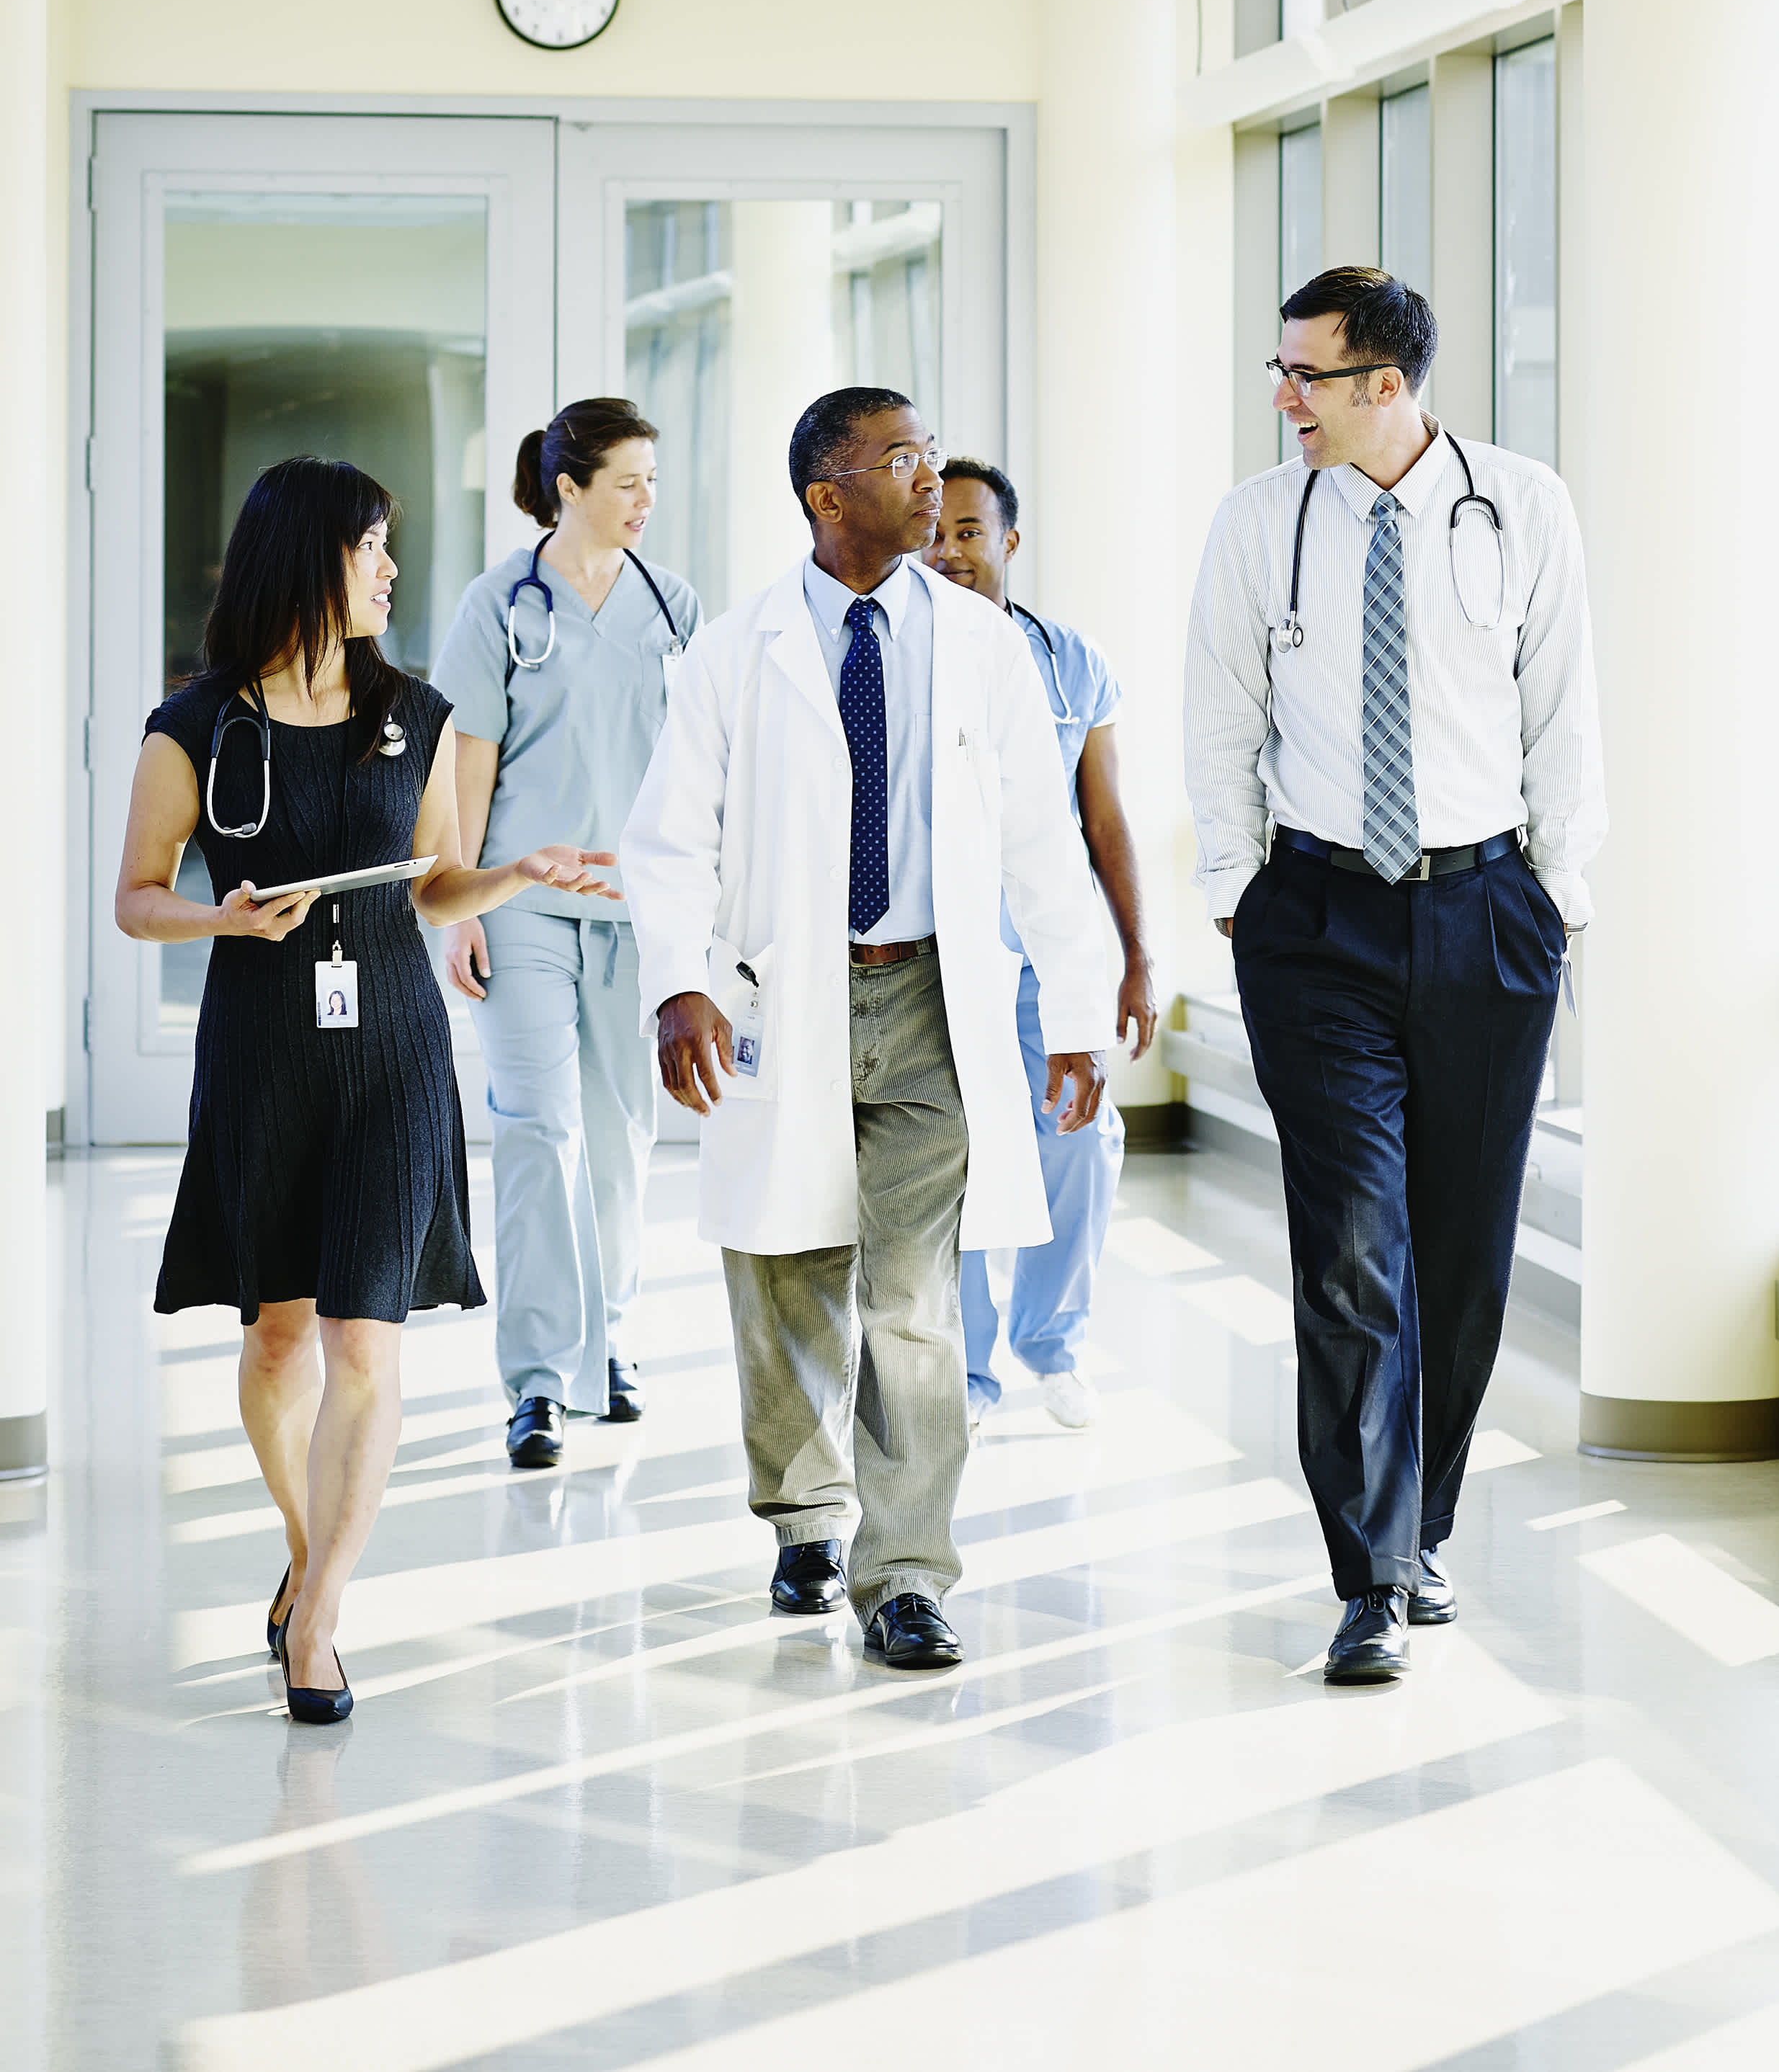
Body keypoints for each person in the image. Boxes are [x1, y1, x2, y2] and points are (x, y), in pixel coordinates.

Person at [621, 385, 1120, 1670]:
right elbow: (671, 837)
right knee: (784, 1271)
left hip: (930, 993)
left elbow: (1039, 842)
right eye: (901, 460)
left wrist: (1076, 1009)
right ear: (825, 495)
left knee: (914, 1298)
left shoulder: (981, 645)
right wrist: (680, 982)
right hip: (780, 991)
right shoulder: (733, 651)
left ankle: (904, 1573)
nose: (930, 481)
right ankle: (804, 1512)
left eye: (931, 455)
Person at [115, 455, 617, 1725]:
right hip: (262, 1050)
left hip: (392, 1047)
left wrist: (517, 875)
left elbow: (434, 883)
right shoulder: (196, 727)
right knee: (279, 1335)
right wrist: (216, 920)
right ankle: (304, 1547)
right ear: (308, 559)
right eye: (373, 547)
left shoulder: (419, 710)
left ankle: (322, 1616)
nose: (394, 570)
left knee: (362, 1340)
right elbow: (134, 898)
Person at [1184, 265, 1602, 1688]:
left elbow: (1565, 716)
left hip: (1484, 905)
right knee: (1350, 1242)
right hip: (1315, 918)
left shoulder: (1520, 508)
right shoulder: (1259, 521)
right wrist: (1239, 889)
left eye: (1307, 374)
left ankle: (1423, 1525)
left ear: (1386, 385)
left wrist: (1557, 898)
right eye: (1278, 371)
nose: (1282, 397)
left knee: (1461, 1246)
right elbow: (1216, 713)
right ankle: (1364, 1578)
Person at [429, 398, 697, 1471]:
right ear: (570, 487)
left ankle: (613, 1341)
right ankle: (538, 1380)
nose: (645, 501)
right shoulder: (499, 605)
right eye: (627, 482)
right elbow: (467, 769)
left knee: (622, 1141)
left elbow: (691, 773)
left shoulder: (673, 606)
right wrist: (460, 905)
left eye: (653, 482)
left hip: (638, 914)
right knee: (541, 1131)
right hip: (524, 909)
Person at [925, 457, 1158, 1427]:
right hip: (938, 950)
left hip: (1047, 950)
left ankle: (1051, 1341)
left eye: (970, 533)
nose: (949, 552)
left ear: (1008, 543)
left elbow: (1103, 821)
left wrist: (1135, 956)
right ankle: (970, 1370)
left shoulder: (1071, 663)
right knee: (960, 1156)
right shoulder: (897, 653)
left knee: (1082, 1136)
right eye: (934, 532)